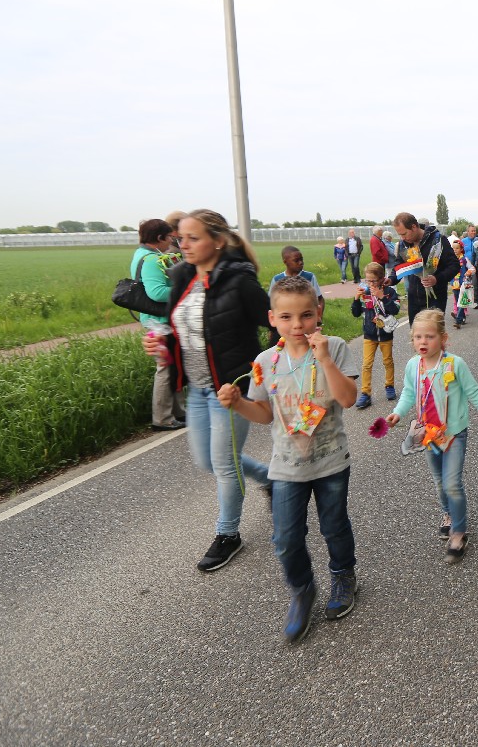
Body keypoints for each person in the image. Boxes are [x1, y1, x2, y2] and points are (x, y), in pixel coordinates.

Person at [218, 276, 360, 642]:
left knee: (334, 527)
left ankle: (343, 575)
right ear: (272, 318)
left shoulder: (335, 347)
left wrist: (324, 359)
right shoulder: (266, 361)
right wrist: (239, 403)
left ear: (318, 312)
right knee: (285, 537)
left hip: (331, 461)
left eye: (306, 315)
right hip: (285, 466)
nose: (298, 324)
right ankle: (301, 589)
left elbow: (348, 398)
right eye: (286, 316)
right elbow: (264, 413)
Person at [142, 209, 274, 573]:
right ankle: (270, 479)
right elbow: (182, 332)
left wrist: (269, 368)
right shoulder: (182, 276)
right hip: (197, 390)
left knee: (225, 464)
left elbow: (275, 322)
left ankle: (228, 534)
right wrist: (163, 346)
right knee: (207, 461)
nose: (182, 245)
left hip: (231, 389)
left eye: (193, 238)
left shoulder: (239, 281)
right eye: (180, 238)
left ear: (217, 241)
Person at [387, 311, 478, 563]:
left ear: (443, 338)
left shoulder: (455, 364)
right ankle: (448, 513)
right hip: (429, 435)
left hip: (454, 434)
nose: (423, 341)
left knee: (452, 483)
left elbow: (474, 392)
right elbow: (409, 393)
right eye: (418, 337)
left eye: (429, 336)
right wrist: (398, 412)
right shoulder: (413, 366)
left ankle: (459, 533)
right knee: (440, 481)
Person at [132, 218, 185, 431]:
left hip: (157, 320)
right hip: (159, 322)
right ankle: (162, 418)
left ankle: (178, 412)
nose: (171, 241)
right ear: (160, 237)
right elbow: (156, 292)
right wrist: (185, 289)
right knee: (165, 368)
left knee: (173, 366)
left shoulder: (140, 254)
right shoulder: (152, 260)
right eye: (170, 237)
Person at [388, 212, 460, 324]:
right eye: (400, 235)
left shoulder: (438, 240)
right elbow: (399, 264)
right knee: (415, 333)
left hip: (435, 299)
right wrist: (391, 279)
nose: (402, 238)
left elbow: (454, 265)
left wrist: (437, 278)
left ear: (414, 227)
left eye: (404, 234)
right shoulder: (404, 244)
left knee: (433, 332)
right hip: (414, 298)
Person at [350, 262, 400, 410]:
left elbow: (395, 309)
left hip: (385, 334)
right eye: (367, 280)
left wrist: (382, 297)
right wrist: (356, 299)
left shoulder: (390, 292)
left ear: (382, 279)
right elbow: (356, 313)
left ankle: (389, 385)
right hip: (369, 334)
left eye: (373, 281)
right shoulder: (364, 293)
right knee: (366, 364)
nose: (370, 284)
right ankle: (365, 393)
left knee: (387, 361)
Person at [269, 247, 325, 346]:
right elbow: (271, 303)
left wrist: (318, 318)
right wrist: (272, 328)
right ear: (285, 262)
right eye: (296, 260)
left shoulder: (309, 277)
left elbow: (319, 299)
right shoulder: (277, 279)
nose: (301, 263)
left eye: (301, 259)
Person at [449, 239, 471, 328]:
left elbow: (472, 268)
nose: (455, 250)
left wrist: (468, 272)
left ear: (461, 249)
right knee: (458, 301)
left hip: (463, 283)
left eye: (457, 248)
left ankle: (458, 321)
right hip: (454, 284)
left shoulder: (464, 259)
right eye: (453, 248)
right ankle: (462, 317)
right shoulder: (451, 259)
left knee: (462, 301)